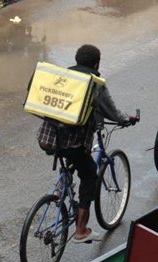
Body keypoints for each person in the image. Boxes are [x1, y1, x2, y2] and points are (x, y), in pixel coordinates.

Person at [37, 44, 138, 243]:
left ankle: (60, 190)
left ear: (76, 60)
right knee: (90, 175)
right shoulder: (94, 84)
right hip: (72, 143)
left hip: (47, 138)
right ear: (96, 63)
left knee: (72, 158)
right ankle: (81, 230)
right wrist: (128, 118)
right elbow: (113, 113)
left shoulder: (63, 76)